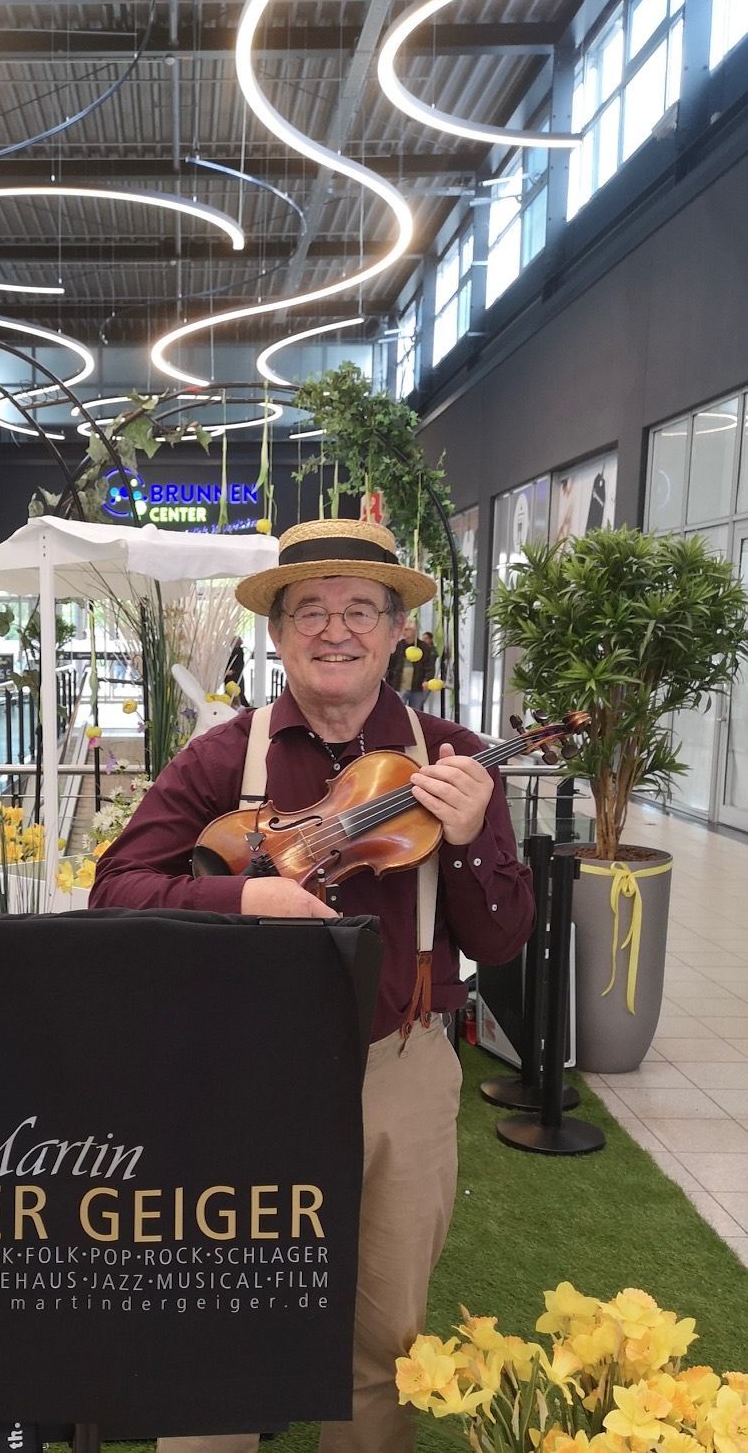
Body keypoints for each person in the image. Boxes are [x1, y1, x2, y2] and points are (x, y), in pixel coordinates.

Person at [90, 517, 533, 1453]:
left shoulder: (453, 757)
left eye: (361, 609)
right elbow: (115, 889)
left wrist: (465, 840)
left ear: (397, 630)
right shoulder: (224, 755)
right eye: (312, 611)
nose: (337, 630)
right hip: (239, 1070)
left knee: (385, 1335)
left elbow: (501, 936)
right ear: (279, 632)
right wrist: (244, 894)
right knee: (217, 1310)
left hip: (398, 1062)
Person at [223, 634, 245, 700]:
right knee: (236, 696)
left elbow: (239, 664)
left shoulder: (237, 651)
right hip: (233, 676)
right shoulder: (234, 651)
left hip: (234, 677)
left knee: (236, 696)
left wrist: (232, 671)